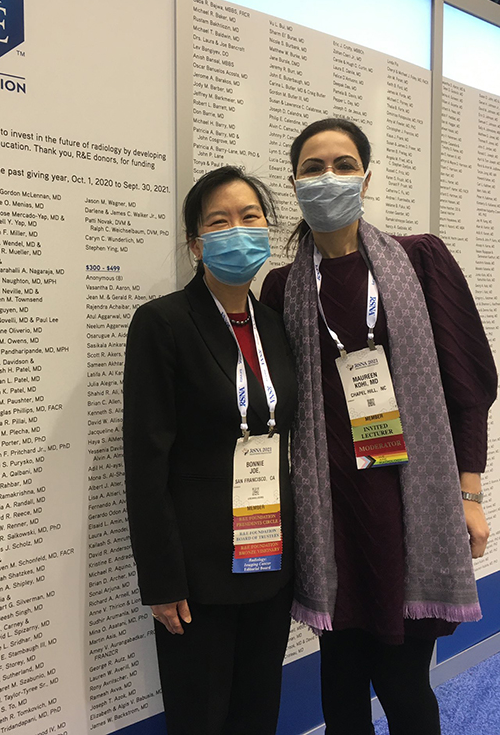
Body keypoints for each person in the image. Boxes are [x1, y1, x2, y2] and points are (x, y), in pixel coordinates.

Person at [260, 118, 497, 735]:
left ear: (367, 175)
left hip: (409, 506)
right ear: (294, 182)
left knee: (402, 680)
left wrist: (470, 495)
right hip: (329, 512)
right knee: (338, 683)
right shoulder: (284, 286)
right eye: (313, 168)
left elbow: (468, 385)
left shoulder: (419, 259)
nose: (328, 177)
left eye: (343, 164)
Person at [123, 166, 297, 735]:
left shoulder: (276, 324)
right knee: (200, 718)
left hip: (268, 553)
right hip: (197, 571)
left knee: (257, 712)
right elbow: (146, 461)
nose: (238, 230)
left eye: (250, 217)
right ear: (197, 243)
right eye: (219, 221)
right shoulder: (162, 323)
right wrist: (162, 579)